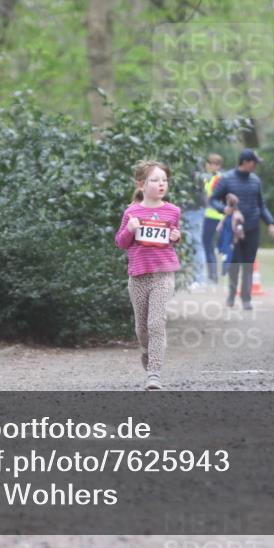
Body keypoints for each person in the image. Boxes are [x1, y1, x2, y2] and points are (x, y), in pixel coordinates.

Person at [115, 160, 182, 390]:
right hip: (138, 276)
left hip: (163, 275)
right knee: (141, 328)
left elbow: (174, 235)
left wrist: (176, 236)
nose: (161, 184)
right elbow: (121, 243)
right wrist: (130, 229)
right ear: (141, 184)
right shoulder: (132, 212)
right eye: (155, 180)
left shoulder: (173, 211)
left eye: (164, 180)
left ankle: (154, 374)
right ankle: (146, 351)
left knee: (156, 323)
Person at [209, 149, 274, 310]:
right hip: (234, 229)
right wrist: (223, 209)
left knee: (248, 263)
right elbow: (213, 199)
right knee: (235, 262)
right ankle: (232, 295)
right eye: (254, 163)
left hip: (252, 227)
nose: (255, 166)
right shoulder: (227, 179)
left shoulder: (255, 181)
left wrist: (270, 223)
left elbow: (261, 205)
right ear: (245, 162)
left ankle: (246, 298)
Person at [201, 154, 225, 283]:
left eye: (214, 164)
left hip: (214, 215)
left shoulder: (219, 179)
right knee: (208, 245)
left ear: (219, 166)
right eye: (209, 163)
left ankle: (212, 275)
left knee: (208, 244)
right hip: (207, 214)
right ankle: (212, 274)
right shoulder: (206, 178)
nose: (211, 166)